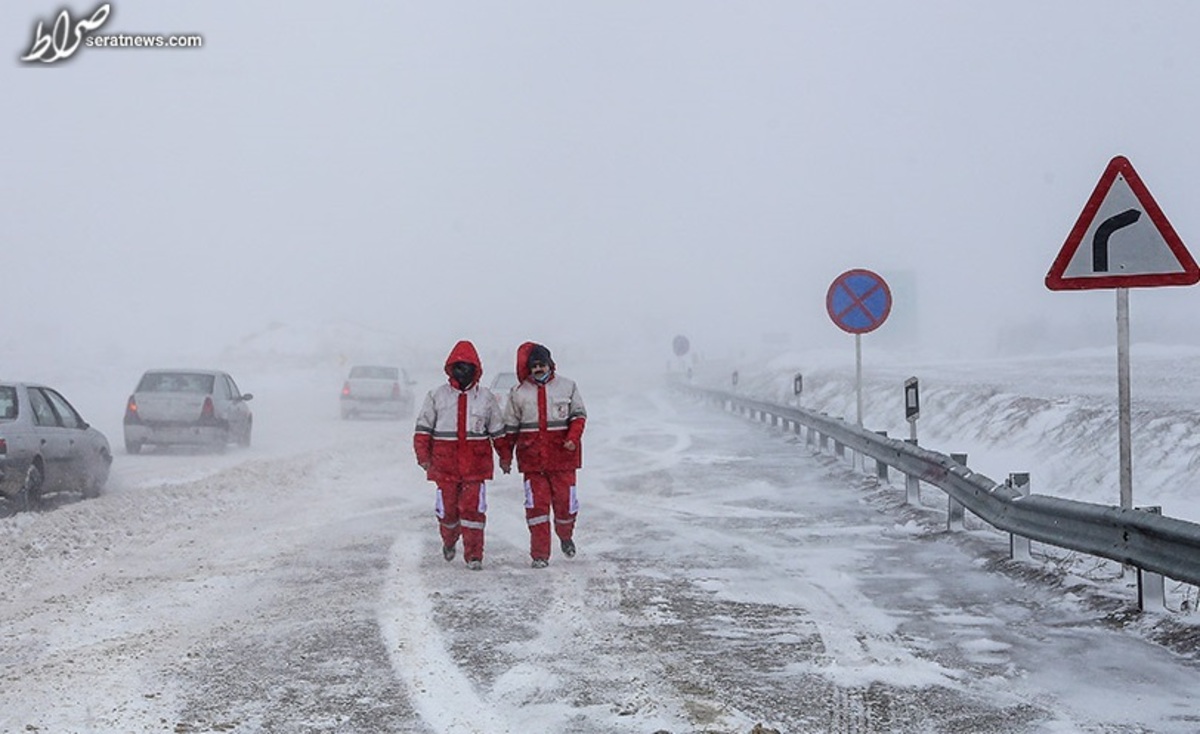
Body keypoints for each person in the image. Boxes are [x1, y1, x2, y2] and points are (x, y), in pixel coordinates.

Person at [413, 340, 511, 570]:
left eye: (467, 367)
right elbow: (423, 429)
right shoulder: (436, 396)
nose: (463, 371)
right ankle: (449, 540)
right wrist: (423, 457)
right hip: (443, 466)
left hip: (475, 467)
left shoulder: (486, 398)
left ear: (476, 369)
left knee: (473, 511)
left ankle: (474, 555)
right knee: (447, 512)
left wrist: (505, 456)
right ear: (450, 368)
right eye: (458, 366)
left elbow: (498, 431)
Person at [501, 342, 587, 568]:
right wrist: (505, 456)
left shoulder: (568, 387)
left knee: (566, 507)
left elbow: (578, 416)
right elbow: (510, 428)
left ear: (550, 364)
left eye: (542, 364)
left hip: (563, 460)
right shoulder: (518, 393)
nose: (538, 369)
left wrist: (572, 438)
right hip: (532, 462)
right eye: (534, 366)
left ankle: (565, 535)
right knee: (536, 510)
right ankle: (539, 555)